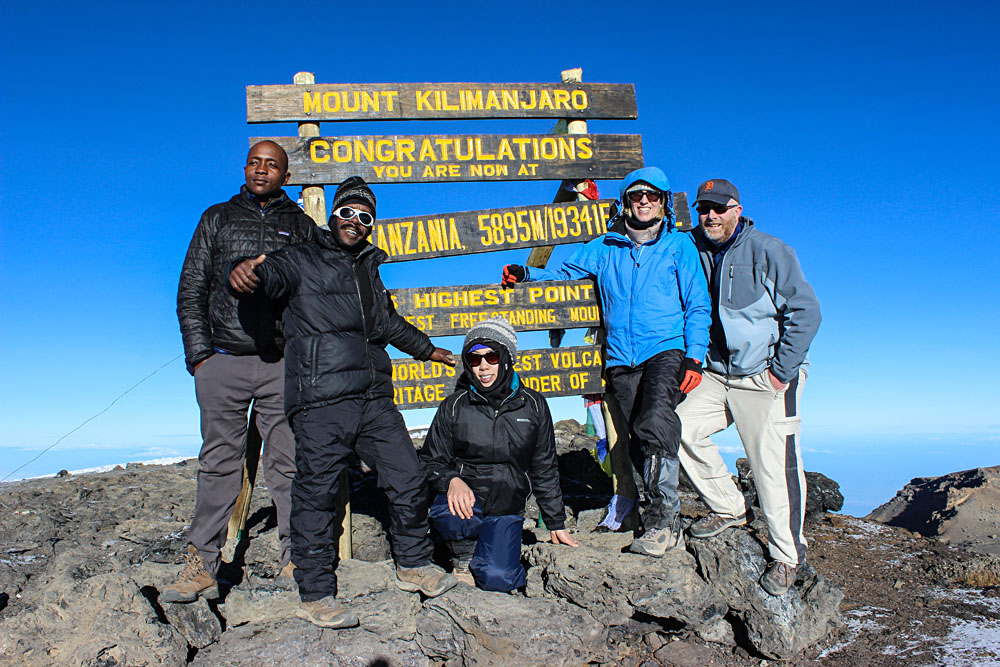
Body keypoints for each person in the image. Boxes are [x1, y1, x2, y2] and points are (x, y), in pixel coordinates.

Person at [229, 176, 457, 629]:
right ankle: (315, 593)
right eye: (348, 212)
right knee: (316, 492)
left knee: (409, 475)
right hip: (319, 400)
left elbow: (388, 323)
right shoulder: (300, 258)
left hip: (373, 396)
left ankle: (413, 564)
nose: (355, 222)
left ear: (372, 225)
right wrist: (245, 271)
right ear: (333, 215)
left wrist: (429, 350)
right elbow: (266, 274)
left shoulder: (368, 268)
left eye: (365, 217)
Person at [501, 167, 711, 557]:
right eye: (636, 195)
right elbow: (565, 274)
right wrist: (526, 274)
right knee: (634, 438)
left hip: (666, 348)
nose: (644, 201)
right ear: (626, 202)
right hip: (620, 356)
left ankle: (665, 522)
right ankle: (659, 514)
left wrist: (695, 357)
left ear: (665, 203)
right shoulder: (604, 246)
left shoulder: (679, 247)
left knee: (654, 422)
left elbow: (697, 304)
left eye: (652, 195)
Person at [167, 141, 317, 603]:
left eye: (271, 165)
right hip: (223, 362)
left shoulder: (302, 228)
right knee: (218, 465)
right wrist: (200, 357)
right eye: (254, 162)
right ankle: (202, 564)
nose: (261, 170)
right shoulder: (217, 218)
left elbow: (314, 298)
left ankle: (297, 557)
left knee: (289, 464)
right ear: (245, 168)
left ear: (285, 176)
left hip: (281, 364)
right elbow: (191, 287)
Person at [677, 178, 821, 596]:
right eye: (704, 209)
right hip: (719, 373)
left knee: (771, 465)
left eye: (719, 208)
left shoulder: (769, 249)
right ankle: (729, 507)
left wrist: (781, 371)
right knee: (679, 427)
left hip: (765, 374)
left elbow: (806, 312)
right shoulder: (694, 247)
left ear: (737, 210)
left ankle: (788, 555)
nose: (710, 216)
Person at [419, 317, 579, 591]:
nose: (483, 367)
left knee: (498, 579)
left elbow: (544, 467)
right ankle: (462, 558)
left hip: (506, 508)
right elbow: (430, 460)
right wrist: (451, 481)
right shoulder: (455, 406)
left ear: (507, 358)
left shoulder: (533, 405)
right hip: (465, 503)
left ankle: (488, 555)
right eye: (474, 359)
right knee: (451, 514)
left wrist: (555, 522)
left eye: (492, 357)